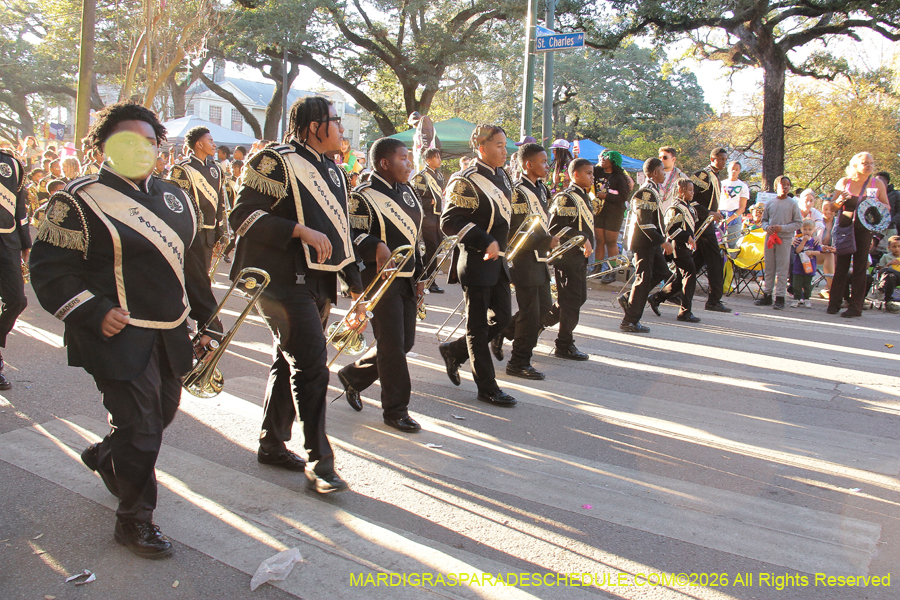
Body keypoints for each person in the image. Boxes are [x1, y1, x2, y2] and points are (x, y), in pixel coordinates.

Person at [29, 101, 221, 559]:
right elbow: (50, 271)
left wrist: (209, 324)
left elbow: (192, 268)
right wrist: (93, 311)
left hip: (170, 330)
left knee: (161, 416)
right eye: (128, 142)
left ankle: (104, 455)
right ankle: (134, 520)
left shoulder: (176, 198)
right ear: (106, 147)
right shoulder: (78, 199)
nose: (143, 149)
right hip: (115, 334)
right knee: (142, 427)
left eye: (150, 142)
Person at [229, 95, 364, 494]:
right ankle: (320, 461)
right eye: (336, 120)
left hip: (319, 282)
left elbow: (340, 235)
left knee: (288, 362)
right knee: (311, 364)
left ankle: (272, 442)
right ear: (313, 125)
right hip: (279, 282)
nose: (341, 128)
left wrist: (358, 289)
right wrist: (297, 230)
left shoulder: (336, 173)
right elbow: (242, 217)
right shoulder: (275, 160)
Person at [338, 138, 424, 432]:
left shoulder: (408, 192)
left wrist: (421, 277)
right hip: (379, 280)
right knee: (392, 347)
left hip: (406, 277)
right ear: (384, 163)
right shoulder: (362, 196)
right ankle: (396, 410)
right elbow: (350, 233)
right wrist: (375, 245)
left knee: (404, 342)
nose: (409, 163)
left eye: (409, 158)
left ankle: (354, 375)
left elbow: (414, 239)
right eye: (403, 158)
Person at [438, 124, 516, 407]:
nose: (504, 151)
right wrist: (484, 241)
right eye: (498, 145)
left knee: (504, 318)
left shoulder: (503, 175)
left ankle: (455, 351)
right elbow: (448, 222)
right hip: (475, 261)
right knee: (478, 326)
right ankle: (487, 387)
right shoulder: (465, 179)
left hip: (500, 262)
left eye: (505, 145)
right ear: (482, 148)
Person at [493, 142, 557, 379]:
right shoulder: (518, 191)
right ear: (528, 164)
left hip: (539, 257)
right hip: (523, 258)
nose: (547, 166)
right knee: (530, 313)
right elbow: (518, 229)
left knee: (544, 309)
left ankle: (504, 331)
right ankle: (519, 362)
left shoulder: (541, 188)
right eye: (543, 161)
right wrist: (546, 241)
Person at [827, 152, 892, 317]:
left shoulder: (877, 184)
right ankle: (834, 303)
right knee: (841, 266)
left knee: (860, 267)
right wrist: (840, 200)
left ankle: (855, 307)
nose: (869, 165)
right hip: (844, 228)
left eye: (871, 162)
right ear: (855, 165)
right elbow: (832, 208)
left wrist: (878, 204)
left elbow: (887, 207)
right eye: (865, 163)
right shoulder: (844, 182)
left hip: (864, 230)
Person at [544, 158, 595, 354]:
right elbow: (556, 227)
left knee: (577, 298)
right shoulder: (566, 197)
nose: (592, 177)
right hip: (567, 257)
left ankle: (537, 323)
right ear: (576, 174)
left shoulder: (583, 196)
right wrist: (581, 237)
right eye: (588, 173)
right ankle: (564, 344)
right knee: (571, 300)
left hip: (578, 257)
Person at [619, 158, 672, 332]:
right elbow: (645, 223)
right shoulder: (646, 192)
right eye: (662, 170)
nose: (664, 173)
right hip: (645, 242)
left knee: (662, 272)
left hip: (651, 242)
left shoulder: (653, 190)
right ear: (655, 172)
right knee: (643, 279)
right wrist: (663, 242)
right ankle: (630, 320)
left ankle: (631, 298)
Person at [168, 127, 227, 270]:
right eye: (210, 141)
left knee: (205, 271)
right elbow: (175, 204)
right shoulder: (182, 169)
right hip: (191, 231)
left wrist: (221, 230)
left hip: (211, 230)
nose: (214, 145)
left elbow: (220, 202)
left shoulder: (216, 168)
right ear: (199, 144)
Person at [0, 147, 32, 389]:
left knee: (17, 300)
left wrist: (25, 243)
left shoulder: (11, 163)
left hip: (7, 241)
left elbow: (20, 207)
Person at [648, 179, 700, 322]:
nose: (692, 193)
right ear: (681, 190)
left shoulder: (689, 207)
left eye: (693, 190)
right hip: (678, 247)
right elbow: (670, 230)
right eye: (689, 190)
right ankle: (685, 311)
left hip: (686, 248)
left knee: (679, 279)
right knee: (690, 274)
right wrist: (687, 237)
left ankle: (656, 298)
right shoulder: (675, 208)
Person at [689, 147, 730, 312]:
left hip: (708, 224)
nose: (724, 163)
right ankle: (713, 300)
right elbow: (690, 200)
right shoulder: (703, 175)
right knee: (715, 262)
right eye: (721, 159)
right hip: (702, 225)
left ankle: (668, 293)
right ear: (713, 159)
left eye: (725, 160)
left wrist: (715, 212)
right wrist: (709, 213)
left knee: (693, 264)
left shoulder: (715, 177)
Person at [755, 176, 802, 309]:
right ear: (776, 187)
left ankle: (780, 297)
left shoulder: (792, 203)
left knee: (782, 269)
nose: (785, 187)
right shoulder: (770, 203)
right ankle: (767, 294)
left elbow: (798, 223)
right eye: (783, 185)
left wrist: (783, 228)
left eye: (788, 185)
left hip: (785, 239)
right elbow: (764, 220)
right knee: (769, 267)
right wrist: (767, 227)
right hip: (770, 239)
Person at [410, 147, 446, 293]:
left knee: (436, 248)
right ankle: (430, 281)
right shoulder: (421, 177)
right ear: (427, 159)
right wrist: (430, 201)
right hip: (426, 218)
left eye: (439, 156)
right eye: (436, 157)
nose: (439, 159)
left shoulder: (439, 175)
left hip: (436, 217)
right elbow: (415, 197)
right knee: (432, 248)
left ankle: (422, 275)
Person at [592, 150, 631, 283]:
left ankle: (612, 271)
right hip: (599, 212)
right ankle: (597, 268)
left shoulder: (619, 177)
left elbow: (623, 196)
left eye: (605, 158)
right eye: (601, 157)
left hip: (614, 213)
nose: (602, 159)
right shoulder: (597, 171)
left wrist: (606, 196)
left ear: (613, 161)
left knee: (611, 241)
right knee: (599, 240)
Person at [790, 218, 829, 308]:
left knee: (808, 284)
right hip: (798, 267)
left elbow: (818, 252)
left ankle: (807, 299)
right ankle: (797, 299)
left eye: (810, 229)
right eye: (805, 229)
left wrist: (811, 252)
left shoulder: (814, 241)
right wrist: (803, 241)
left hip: (810, 267)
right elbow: (797, 250)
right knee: (797, 284)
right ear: (801, 229)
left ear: (813, 230)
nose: (807, 231)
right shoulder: (798, 240)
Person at [720, 161, 750, 248]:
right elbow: (716, 201)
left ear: (739, 171)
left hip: (734, 217)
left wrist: (729, 220)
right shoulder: (721, 184)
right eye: (732, 169)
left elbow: (742, 207)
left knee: (732, 244)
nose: (734, 171)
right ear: (728, 169)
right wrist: (719, 216)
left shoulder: (742, 186)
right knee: (718, 242)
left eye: (736, 169)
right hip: (720, 215)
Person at [875, 235, 900, 312]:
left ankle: (881, 288)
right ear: (889, 248)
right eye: (894, 246)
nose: (897, 249)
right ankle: (888, 301)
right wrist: (889, 264)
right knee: (890, 274)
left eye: (899, 246)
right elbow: (882, 271)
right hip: (890, 279)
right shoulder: (886, 257)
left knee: (890, 273)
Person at [657, 146, 685, 213]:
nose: (662, 160)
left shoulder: (681, 177)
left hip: (671, 216)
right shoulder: (653, 175)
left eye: (665, 157)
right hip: (655, 215)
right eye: (660, 158)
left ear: (673, 159)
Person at [875, 171, 900, 236]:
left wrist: (891, 222)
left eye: (879, 180)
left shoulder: (896, 194)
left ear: (886, 181)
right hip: (876, 228)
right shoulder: (874, 195)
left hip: (890, 229)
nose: (877, 182)